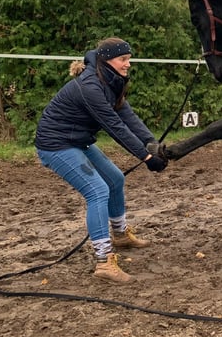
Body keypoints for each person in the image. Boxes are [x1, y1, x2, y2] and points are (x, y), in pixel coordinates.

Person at [35, 37, 168, 283]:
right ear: (107, 60)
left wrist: (152, 144)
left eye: (129, 59)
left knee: (115, 180)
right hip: (56, 145)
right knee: (97, 191)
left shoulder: (111, 82)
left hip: (78, 141)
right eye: (123, 59)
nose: (128, 64)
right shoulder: (90, 87)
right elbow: (115, 126)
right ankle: (104, 260)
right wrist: (146, 157)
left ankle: (120, 235)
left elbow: (127, 116)